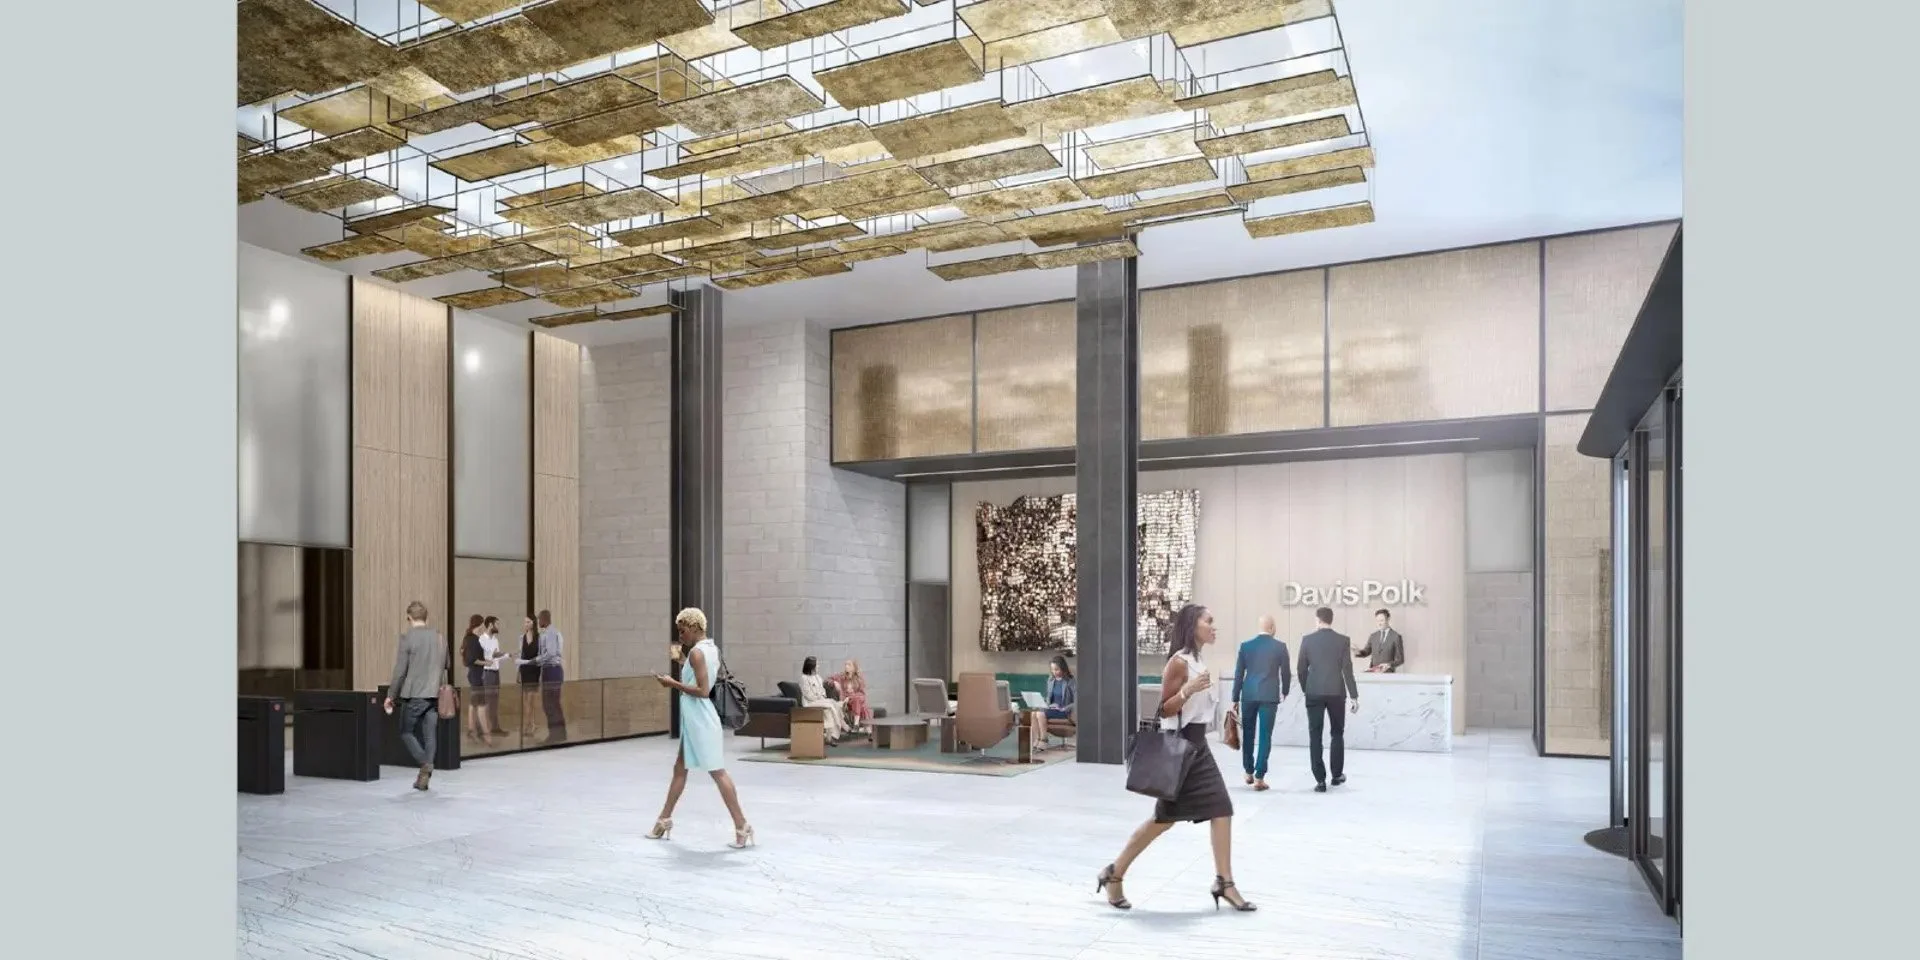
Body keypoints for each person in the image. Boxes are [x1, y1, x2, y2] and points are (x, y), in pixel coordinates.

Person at [1097, 604, 1256, 913]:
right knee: (1162, 820)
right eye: (1208, 621)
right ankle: (1114, 872)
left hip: (1199, 749)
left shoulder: (1198, 659)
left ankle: (1225, 882)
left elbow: (1198, 711)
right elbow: (1165, 709)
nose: (1213, 626)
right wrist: (1188, 690)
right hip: (1180, 749)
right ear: (1191, 625)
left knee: (1222, 809)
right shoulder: (1179, 662)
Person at [646, 607, 754, 849]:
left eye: (682, 630)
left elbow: (703, 691)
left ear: (694, 627)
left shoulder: (697, 653)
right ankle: (664, 819)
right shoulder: (709, 649)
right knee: (680, 770)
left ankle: (742, 824)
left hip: (701, 720)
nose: (680, 635)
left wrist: (672, 683)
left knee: (717, 772)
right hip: (696, 720)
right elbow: (700, 673)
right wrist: (680, 662)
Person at [383, 601, 448, 791]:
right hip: (435, 694)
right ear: (426, 618)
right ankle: (423, 779)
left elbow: (400, 671)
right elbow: (447, 664)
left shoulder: (407, 638)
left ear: (409, 618)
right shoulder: (440, 637)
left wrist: (390, 696)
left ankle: (425, 764)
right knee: (430, 736)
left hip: (415, 695)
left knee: (406, 731)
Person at [1297, 606, 1361, 793]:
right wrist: (1354, 696)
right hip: (1336, 692)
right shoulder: (1342, 640)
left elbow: (1301, 669)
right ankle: (1336, 775)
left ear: (1318, 620)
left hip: (1314, 692)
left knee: (1315, 735)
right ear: (1331, 620)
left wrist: (1306, 688)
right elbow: (1347, 669)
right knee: (1337, 733)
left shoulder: (1307, 640)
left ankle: (1320, 781)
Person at [1231, 615, 1292, 791]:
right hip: (1269, 696)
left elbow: (1238, 674)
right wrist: (1285, 690)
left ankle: (1248, 771)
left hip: (1248, 695)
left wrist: (1235, 698)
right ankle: (1259, 777)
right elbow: (1286, 673)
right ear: (1272, 627)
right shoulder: (1280, 647)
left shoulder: (1246, 646)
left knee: (1248, 734)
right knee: (1265, 736)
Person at [519, 610, 567, 744]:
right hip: (551, 670)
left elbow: (550, 654)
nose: (538, 622)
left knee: (550, 704)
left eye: (539, 619)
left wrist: (533, 661)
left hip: (552, 670)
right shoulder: (551, 632)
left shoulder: (551, 633)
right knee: (553, 704)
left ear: (545, 619)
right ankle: (559, 734)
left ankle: (555, 735)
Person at [797, 657, 849, 743]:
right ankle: (842, 724)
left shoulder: (818, 677)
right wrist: (820, 698)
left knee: (831, 705)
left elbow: (823, 691)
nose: (818, 666)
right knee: (831, 705)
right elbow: (808, 695)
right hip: (810, 703)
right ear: (811, 666)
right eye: (817, 664)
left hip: (819, 700)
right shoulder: (804, 678)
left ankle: (832, 736)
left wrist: (822, 697)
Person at [459, 615, 493, 746]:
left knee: (473, 704)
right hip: (476, 676)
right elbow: (474, 659)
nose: (484, 627)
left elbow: (464, 654)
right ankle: (486, 734)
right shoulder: (474, 640)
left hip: (472, 674)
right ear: (478, 625)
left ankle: (471, 730)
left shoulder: (467, 638)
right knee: (481, 705)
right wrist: (487, 663)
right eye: (483, 624)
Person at [1354, 609, 1406, 673]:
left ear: (1388, 619)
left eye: (1381, 620)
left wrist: (1389, 665)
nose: (1379, 623)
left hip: (1387, 674)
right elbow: (1366, 652)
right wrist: (1357, 652)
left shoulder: (1396, 637)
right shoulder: (1373, 636)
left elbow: (1400, 659)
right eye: (1377, 621)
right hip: (1372, 672)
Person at [480, 617, 508, 736]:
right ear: (490, 625)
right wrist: (499, 655)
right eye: (497, 624)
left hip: (496, 672)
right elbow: (489, 656)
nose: (498, 626)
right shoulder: (481, 639)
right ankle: (483, 729)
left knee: (495, 702)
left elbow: (497, 656)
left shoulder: (495, 640)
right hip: (487, 673)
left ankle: (495, 727)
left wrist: (506, 656)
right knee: (486, 701)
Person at [516, 616, 540, 739]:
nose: (525, 624)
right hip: (525, 670)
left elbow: (541, 655)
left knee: (531, 699)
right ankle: (531, 724)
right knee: (526, 700)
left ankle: (528, 725)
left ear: (533, 623)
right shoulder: (522, 638)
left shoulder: (539, 638)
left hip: (535, 670)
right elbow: (520, 655)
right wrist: (518, 673)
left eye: (528, 622)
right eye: (524, 622)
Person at [835, 659, 872, 731]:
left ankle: (856, 725)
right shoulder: (842, 677)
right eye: (845, 664)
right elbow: (829, 679)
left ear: (854, 667)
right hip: (847, 702)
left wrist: (850, 697)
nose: (846, 666)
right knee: (863, 707)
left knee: (858, 700)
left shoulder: (859, 678)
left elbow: (862, 693)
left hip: (856, 699)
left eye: (849, 665)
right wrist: (834, 682)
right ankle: (868, 731)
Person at [1044, 655, 1075, 721]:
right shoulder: (1050, 680)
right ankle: (1041, 732)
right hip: (1051, 709)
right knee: (1034, 714)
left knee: (1039, 714)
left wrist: (1064, 708)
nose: (1054, 672)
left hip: (1063, 710)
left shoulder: (1070, 680)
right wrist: (1047, 705)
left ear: (1063, 668)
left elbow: (1077, 701)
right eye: (1052, 669)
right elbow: (1048, 697)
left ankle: (1043, 732)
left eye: (1056, 669)